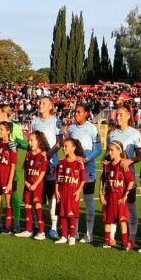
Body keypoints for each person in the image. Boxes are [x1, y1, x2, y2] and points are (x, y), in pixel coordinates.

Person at [108, 105, 141, 246]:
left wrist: (131, 160)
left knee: (130, 205)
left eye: (121, 114)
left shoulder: (135, 133)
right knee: (113, 205)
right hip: (113, 176)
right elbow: (108, 152)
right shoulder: (111, 133)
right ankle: (111, 237)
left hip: (128, 175)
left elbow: (139, 155)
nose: (118, 117)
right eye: (117, 115)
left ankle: (132, 238)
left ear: (129, 116)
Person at [30, 97, 65, 237]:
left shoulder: (56, 121)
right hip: (36, 165)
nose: (40, 104)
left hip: (51, 164)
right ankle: (37, 225)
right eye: (40, 102)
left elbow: (59, 142)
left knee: (51, 196)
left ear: (50, 106)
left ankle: (54, 227)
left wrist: (48, 154)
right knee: (36, 196)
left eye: (44, 103)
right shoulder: (34, 121)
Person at [68, 103, 103, 241]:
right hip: (73, 171)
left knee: (88, 201)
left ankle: (89, 234)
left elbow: (99, 150)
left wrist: (86, 159)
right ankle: (74, 232)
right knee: (74, 201)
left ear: (86, 113)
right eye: (75, 112)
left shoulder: (93, 129)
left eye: (79, 112)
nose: (76, 114)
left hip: (88, 169)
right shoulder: (71, 129)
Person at [100, 141, 134, 249]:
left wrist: (125, 196)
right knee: (108, 220)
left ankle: (124, 243)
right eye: (109, 150)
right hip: (109, 196)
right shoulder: (107, 166)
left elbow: (131, 181)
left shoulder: (123, 165)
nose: (110, 152)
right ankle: (106, 241)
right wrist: (101, 194)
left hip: (120, 197)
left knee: (122, 220)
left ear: (119, 151)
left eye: (112, 150)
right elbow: (102, 179)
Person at [54, 138, 86, 246]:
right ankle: (63, 236)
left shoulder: (79, 162)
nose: (64, 148)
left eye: (66, 146)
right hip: (62, 191)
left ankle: (72, 236)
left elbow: (83, 179)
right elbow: (57, 178)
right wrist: (56, 190)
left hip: (73, 192)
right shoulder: (61, 161)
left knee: (72, 215)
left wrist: (78, 190)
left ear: (73, 148)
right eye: (63, 146)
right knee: (62, 214)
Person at [17, 132, 49, 238]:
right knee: (27, 205)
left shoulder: (42, 155)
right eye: (28, 140)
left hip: (38, 186)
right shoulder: (28, 154)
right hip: (28, 184)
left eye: (31, 140)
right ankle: (28, 230)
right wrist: (26, 181)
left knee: (38, 206)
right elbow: (25, 169)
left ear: (38, 141)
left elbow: (43, 172)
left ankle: (41, 232)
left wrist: (35, 184)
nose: (29, 142)